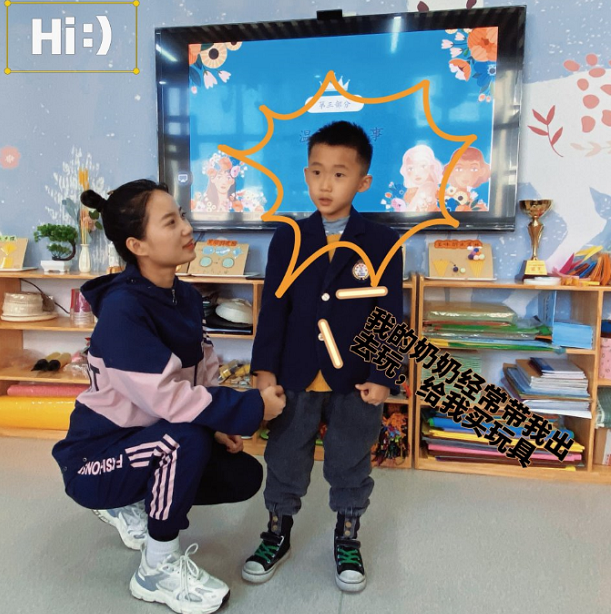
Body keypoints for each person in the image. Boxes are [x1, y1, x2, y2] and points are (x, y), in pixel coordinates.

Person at [51, 179, 286, 614]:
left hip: (143, 438)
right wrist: (253, 407)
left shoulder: (184, 296)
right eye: (170, 222)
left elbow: (202, 366)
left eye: (182, 216)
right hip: (93, 458)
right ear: (137, 245)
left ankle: (130, 501)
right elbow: (168, 399)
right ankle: (156, 569)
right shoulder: (123, 310)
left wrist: (220, 424)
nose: (186, 228)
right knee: (184, 439)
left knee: (241, 475)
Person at [242, 121, 404, 592]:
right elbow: (274, 308)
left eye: (338, 174)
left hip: (355, 378)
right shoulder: (289, 236)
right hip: (294, 375)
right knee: (285, 456)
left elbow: (389, 311)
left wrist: (383, 374)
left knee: (350, 459)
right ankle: (277, 532)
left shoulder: (382, 241)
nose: (325, 185)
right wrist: (264, 369)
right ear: (305, 175)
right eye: (316, 172)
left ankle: (347, 536)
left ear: (363, 182)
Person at [392, 144, 442, 212]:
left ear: (431, 167)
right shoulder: (415, 189)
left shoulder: (428, 186)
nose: (416, 173)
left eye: (422, 166)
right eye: (410, 168)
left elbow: (410, 212)